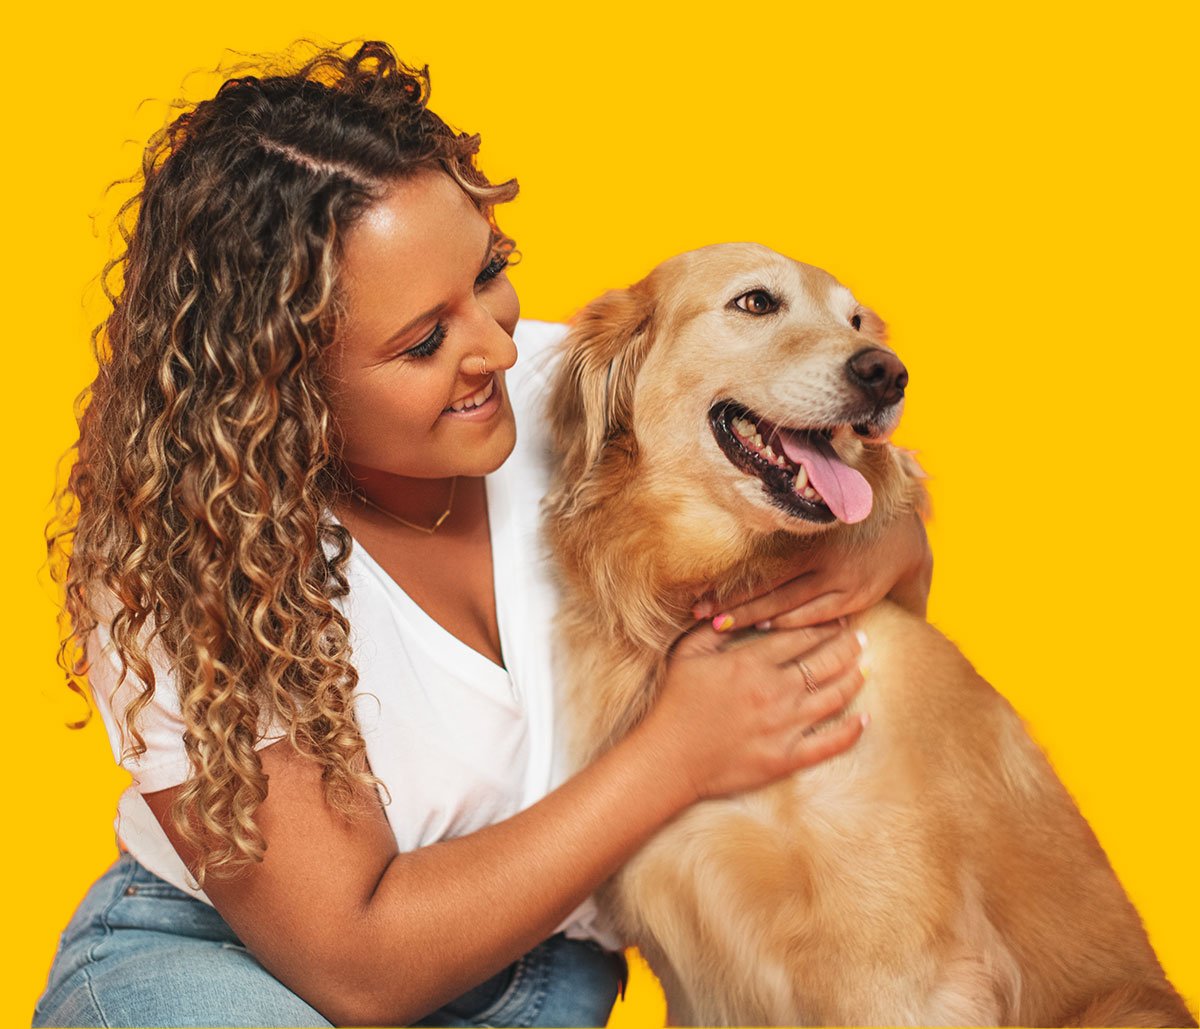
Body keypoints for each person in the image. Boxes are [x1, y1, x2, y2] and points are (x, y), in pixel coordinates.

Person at [36, 40, 932, 1028]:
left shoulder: (575, 392)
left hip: (543, 983)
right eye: (425, 341)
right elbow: (360, 964)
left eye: (490, 274)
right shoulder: (186, 558)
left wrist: (878, 536)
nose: (498, 344)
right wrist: (676, 751)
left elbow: (863, 503)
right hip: (230, 973)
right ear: (282, 392)